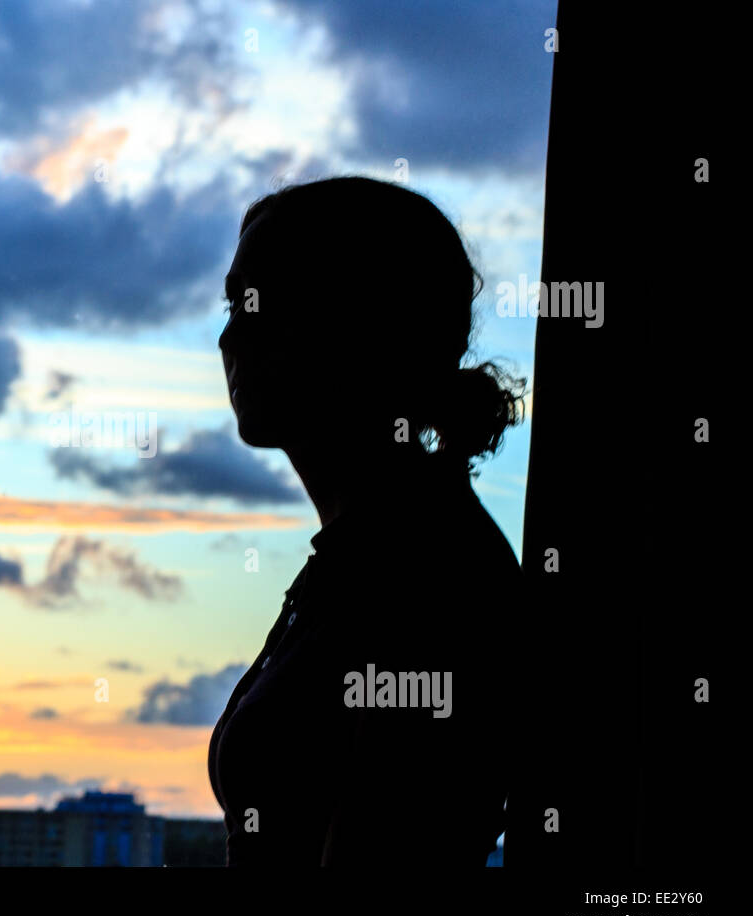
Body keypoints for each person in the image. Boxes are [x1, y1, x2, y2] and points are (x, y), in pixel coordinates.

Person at [207, 177, 526, 866]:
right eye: (232, 303)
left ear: (353, 322)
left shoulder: (425, 574)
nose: (229, 335)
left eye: (257, 302)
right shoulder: (370, 552)